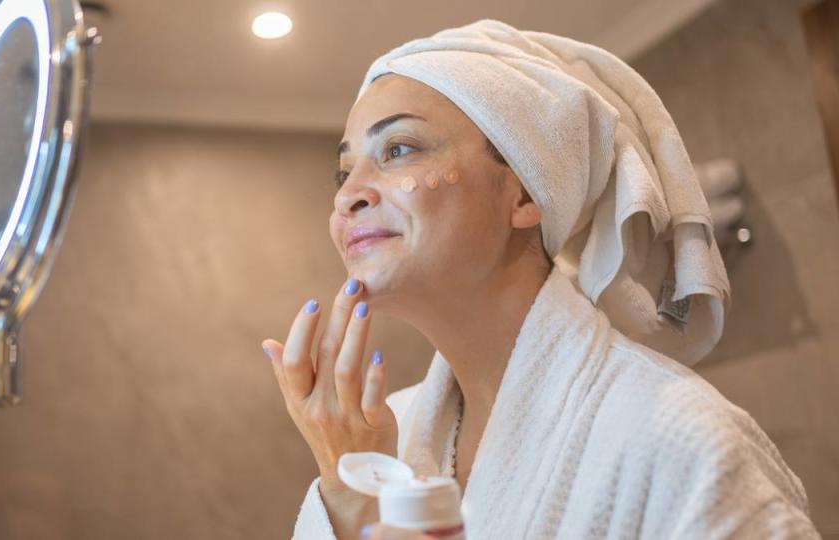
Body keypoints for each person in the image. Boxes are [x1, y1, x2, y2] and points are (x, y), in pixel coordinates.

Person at [261, 19, 819, 540]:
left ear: (526, 191)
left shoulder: (682, 442)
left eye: (398, 149)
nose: (346, 193)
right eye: (344, 169)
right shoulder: (386, 440)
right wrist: (347, 497)